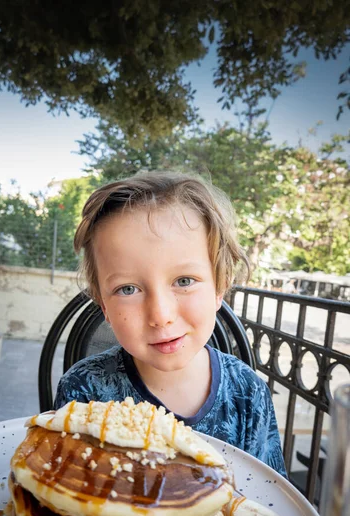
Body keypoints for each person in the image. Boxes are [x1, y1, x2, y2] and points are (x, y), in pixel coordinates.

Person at [54, 171, 287, 477]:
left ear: (220, 288)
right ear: (104, 305)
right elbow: (63, 489)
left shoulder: (249, 394)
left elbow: (269, 502)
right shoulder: (83, 390)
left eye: (184, 281)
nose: (160, 315)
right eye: (128, 289)